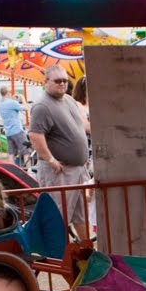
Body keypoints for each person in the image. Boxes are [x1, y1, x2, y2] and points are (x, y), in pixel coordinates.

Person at [29, 65, 91, 243]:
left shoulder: (69, 101)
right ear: (46, 82)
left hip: (77, 169)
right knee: (57, 216)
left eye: (65, 81)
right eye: (57, 81)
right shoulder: (42, 106)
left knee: (80, 214)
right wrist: (51, 159)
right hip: (59, 171)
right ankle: (58, 255)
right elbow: (35, 135)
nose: (62, 84)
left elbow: (82, 127)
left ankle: (87, 250)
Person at [0, 85, 29, 167]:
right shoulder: (12, 103)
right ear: (7, 93)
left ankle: (13, 171)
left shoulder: (0, 105)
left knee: (11, 153)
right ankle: (29, 171)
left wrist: (13, 100)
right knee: (25, 151)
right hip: (17, 130)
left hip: (8, 131)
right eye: (10, 92)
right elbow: (26, 108)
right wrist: (22, 98)